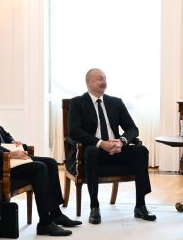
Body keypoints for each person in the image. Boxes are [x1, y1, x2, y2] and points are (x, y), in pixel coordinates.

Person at [0, 71, 79, 236]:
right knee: (39, 168)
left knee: (50, 163)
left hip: (4, 156)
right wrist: (9, 153)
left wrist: (15, 144)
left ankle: (56, 214)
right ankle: (45, 222)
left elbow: (2, 133)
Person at [66, 68, 156, 225]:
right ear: (88, 83)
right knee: (92, 151)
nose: (104, 82)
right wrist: (101, 143)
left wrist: (121, 141)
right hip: (93, 151)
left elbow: (132, 129)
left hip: (116, 149)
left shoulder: (115, 102)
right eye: (100, 79)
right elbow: (74, 131)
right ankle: (95, 206)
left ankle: (140, 205)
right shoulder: (78, 103)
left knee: (140, 151)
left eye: (105, 79)